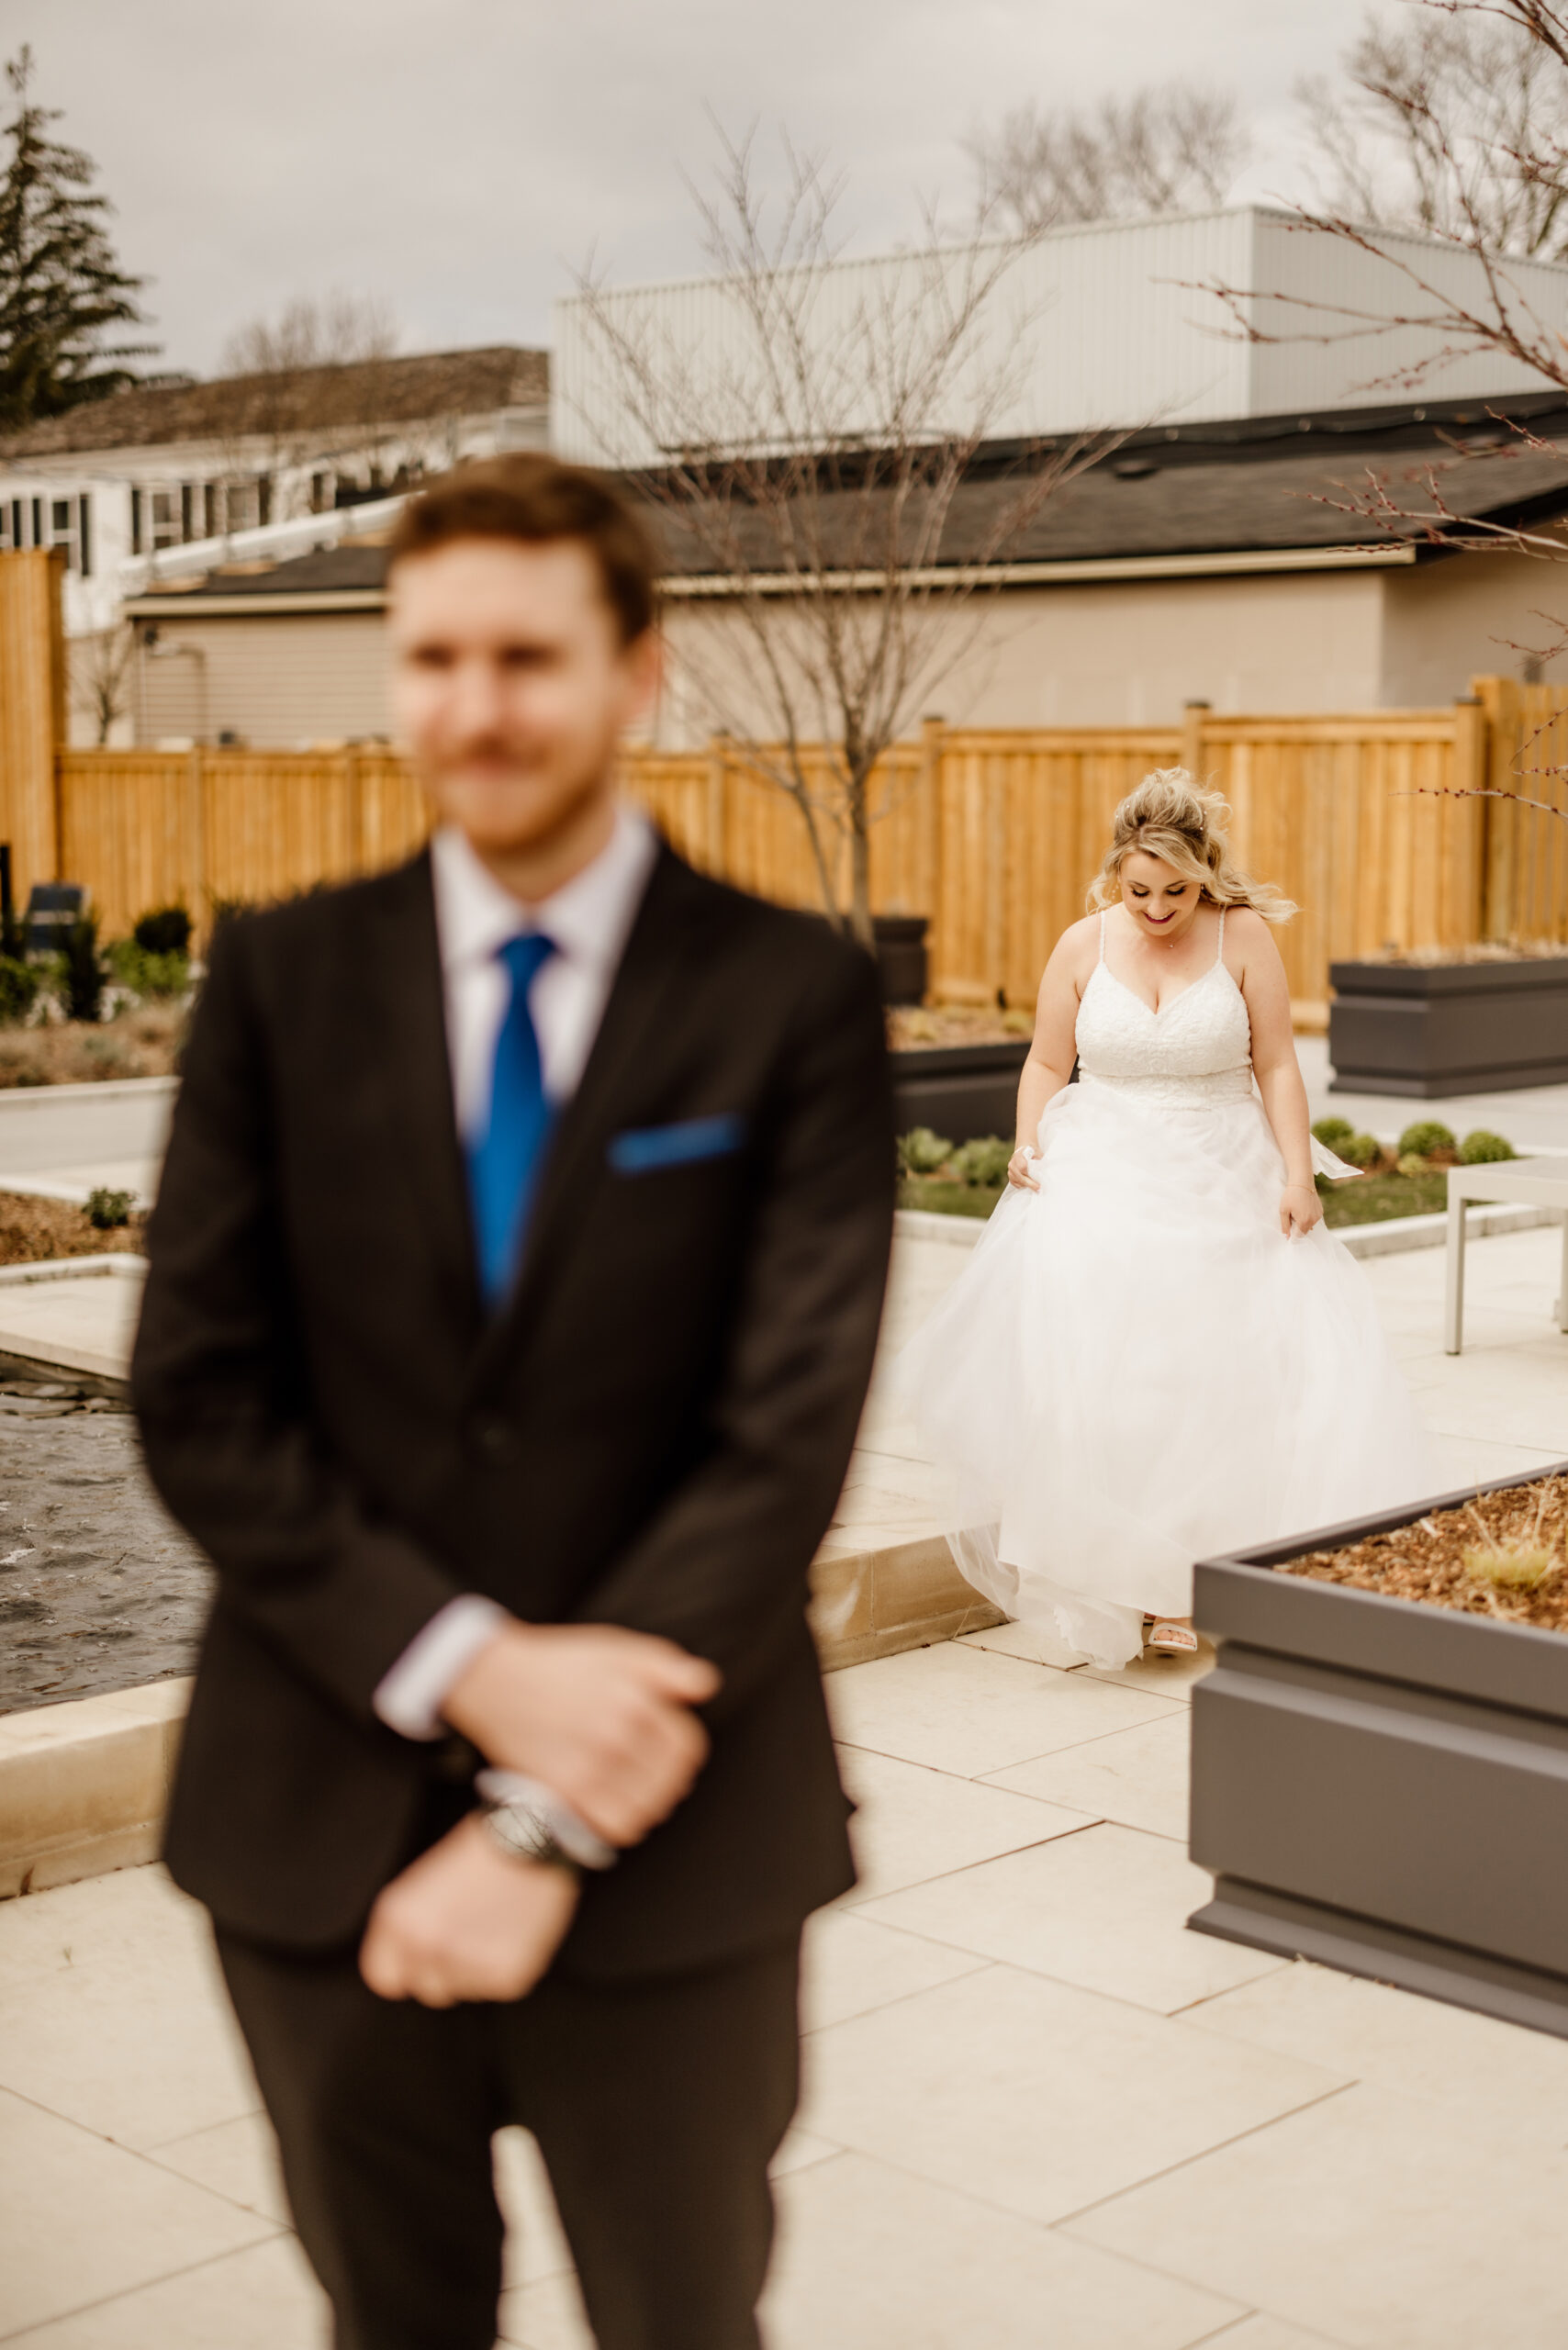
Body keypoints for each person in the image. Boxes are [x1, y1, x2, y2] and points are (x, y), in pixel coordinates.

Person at [131, 453, 895, 2350]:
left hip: (676, 1845)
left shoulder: (785, 993)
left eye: (525, 657)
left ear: (637, 669)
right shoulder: (280, 981)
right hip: (317, 1823)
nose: (473, 709)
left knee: (679, 2315)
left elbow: (781, 1430)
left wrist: (545, 1806)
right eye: (433, 657)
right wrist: (472, 1665)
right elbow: (201, 1393)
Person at [901, 767, 1435, 1670]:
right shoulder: (1078, 945)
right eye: (1137, 889)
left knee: (1204, 1376)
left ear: (1205, 875)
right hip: (1100, 1173)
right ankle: (1115, 1573)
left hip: (1221, 1166)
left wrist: (1297, 1172)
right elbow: (1043, 1062)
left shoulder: (1244, 937)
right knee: (1103, 1378)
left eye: (1175, 891)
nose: (1155, 908)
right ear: (1116, 873)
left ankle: (1184, 1584)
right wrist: (1027, 1140)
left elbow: (1276, 1067)